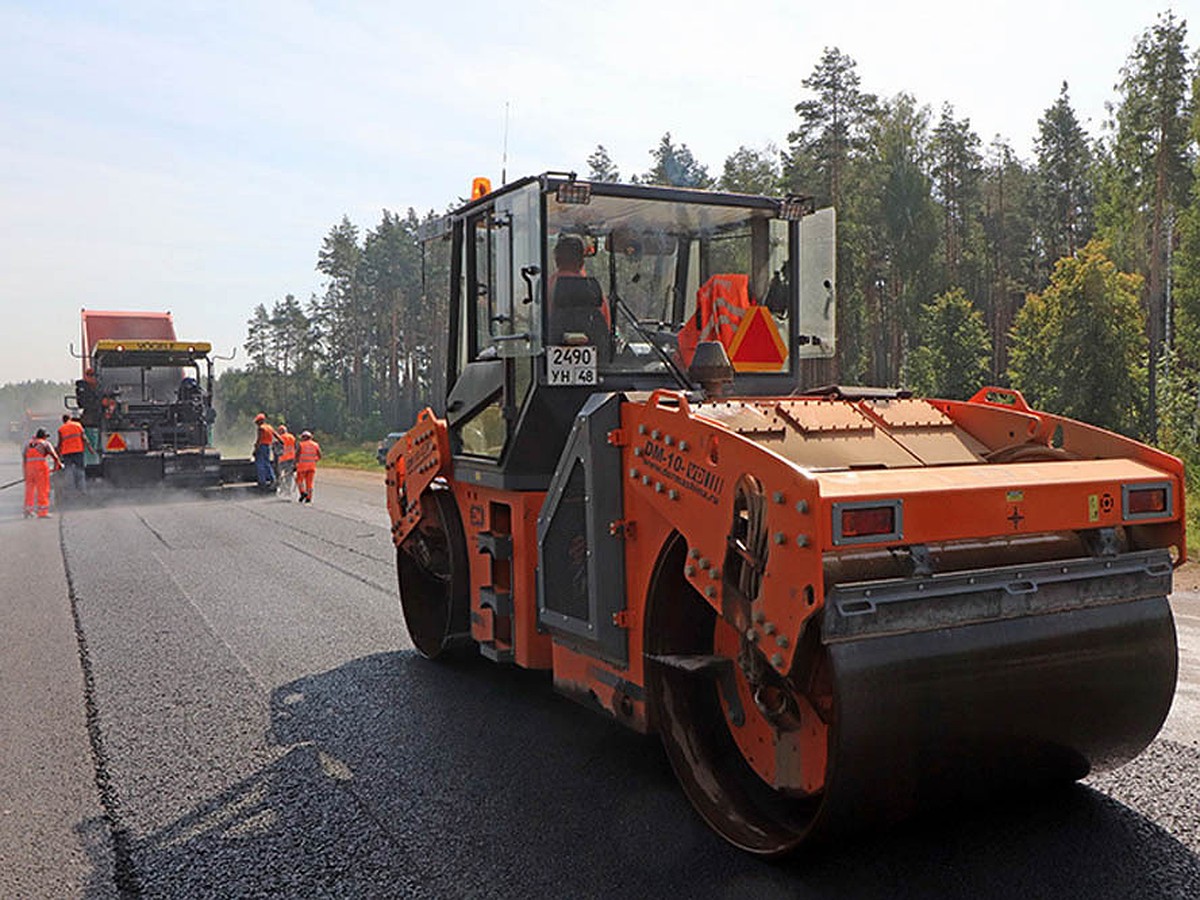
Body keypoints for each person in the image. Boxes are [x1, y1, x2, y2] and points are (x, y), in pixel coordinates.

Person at [24, 428, 61, 519]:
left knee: (29, 490)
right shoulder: (45, 443)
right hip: (40, 469)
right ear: (44, 436)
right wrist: (58, 464)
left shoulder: (28, 444)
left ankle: (28, 510)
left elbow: (24, 459)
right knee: (43, 490)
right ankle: (43, 512)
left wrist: (25, 472)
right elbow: (54, 455)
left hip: (29, 469)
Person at [56, 413, 93, 495]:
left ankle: (70, 491)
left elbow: (60, 443)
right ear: (70, 418)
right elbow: (84, 438)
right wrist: (90, 449)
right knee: (80, 470)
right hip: (78, 451)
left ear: (63, 420)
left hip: (66, 453)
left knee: (68, 471)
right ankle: (82, 490)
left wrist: (58, 454)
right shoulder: (78, 425)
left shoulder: (61, 429)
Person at [295, 430, 322, 504]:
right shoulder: (316, 445)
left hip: (302, 467)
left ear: (304, 437)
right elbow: (320, 455)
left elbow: (297, 455)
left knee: (299, 481)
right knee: (309, 483)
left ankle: (303, 492)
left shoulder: (301, 445)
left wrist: (295, 464)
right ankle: (309, 498)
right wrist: (314, 460)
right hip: (311, 467)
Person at [252, 413, 276, 490]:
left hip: (261, 447)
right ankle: (272, 479)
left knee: (260, 464)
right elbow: (276, 435)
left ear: (260, 421)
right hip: (268, 447)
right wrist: (282, 443)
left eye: (257, 422)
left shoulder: (261, 428)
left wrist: (255, 449)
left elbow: (259, 440)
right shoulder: (269, 427)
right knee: (267, 463)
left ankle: (262, 481)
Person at [274, 424, 297, 498]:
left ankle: (283, 488)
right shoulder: (292, 437)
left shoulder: (280, 438)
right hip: (291, 458)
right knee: (289, 475)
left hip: (282, 459)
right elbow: (295, 447)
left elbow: (276, 450)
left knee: (280, 475)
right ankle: (288, 490)